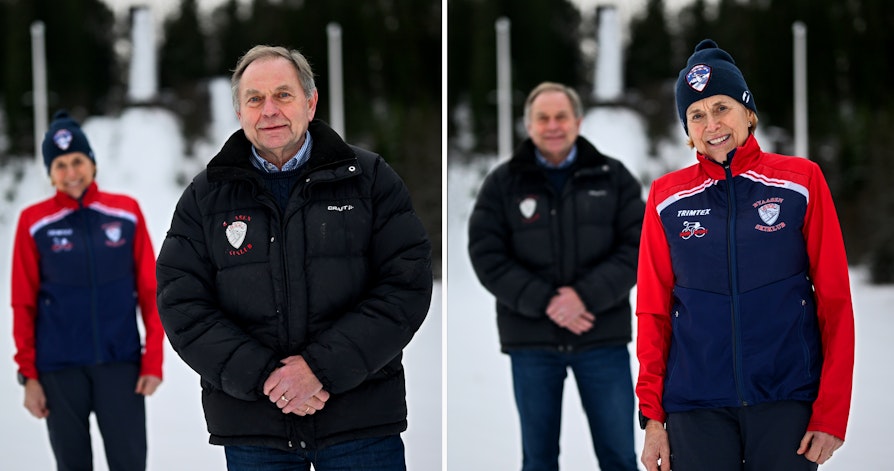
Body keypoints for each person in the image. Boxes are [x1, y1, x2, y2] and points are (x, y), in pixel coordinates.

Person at [155, 45, 433, 470]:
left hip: (360, 424)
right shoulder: (204, 197)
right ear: (239, 111)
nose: (270, 110)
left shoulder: (370, 179)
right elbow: (182, 303)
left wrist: (320, 368)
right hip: (256, 430)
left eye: (283, 95)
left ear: (311, 100)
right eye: (255, 98)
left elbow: (405, 284)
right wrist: (267, 377)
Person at [635, 39, 855, 471]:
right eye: (696, 114)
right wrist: (652, 417)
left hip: (787, 399)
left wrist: (831, 412)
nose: (711, 123)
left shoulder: (800, 182)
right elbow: (653, 312)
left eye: (721, 107)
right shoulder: (666, 197)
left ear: (748, 113)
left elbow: (835, 302)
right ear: (687, 129)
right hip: (694, 407)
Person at [468, 81, 644, 471]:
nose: (552, 125)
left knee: (619, 456)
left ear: (578, 121)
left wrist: (584, 297)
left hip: (601, 335)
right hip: (531, 340)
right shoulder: (503, 183)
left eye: (561, 116)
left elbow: (638, 247)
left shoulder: (613, 177)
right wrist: (547, 301)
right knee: (539, 459)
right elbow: (486, 254)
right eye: (542, 117)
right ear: (528, 124)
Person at [11, 110, 164, 471]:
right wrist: (29, 376)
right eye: (59, 165)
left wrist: (153, 357)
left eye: (77, 161)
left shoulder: (125, 213)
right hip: (59, 371)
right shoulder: (34, 223)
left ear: (92, 163)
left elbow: (150, 290)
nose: (71, 173)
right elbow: (23, 303)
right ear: (49, 173)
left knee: (129, 464)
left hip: (120, 365)